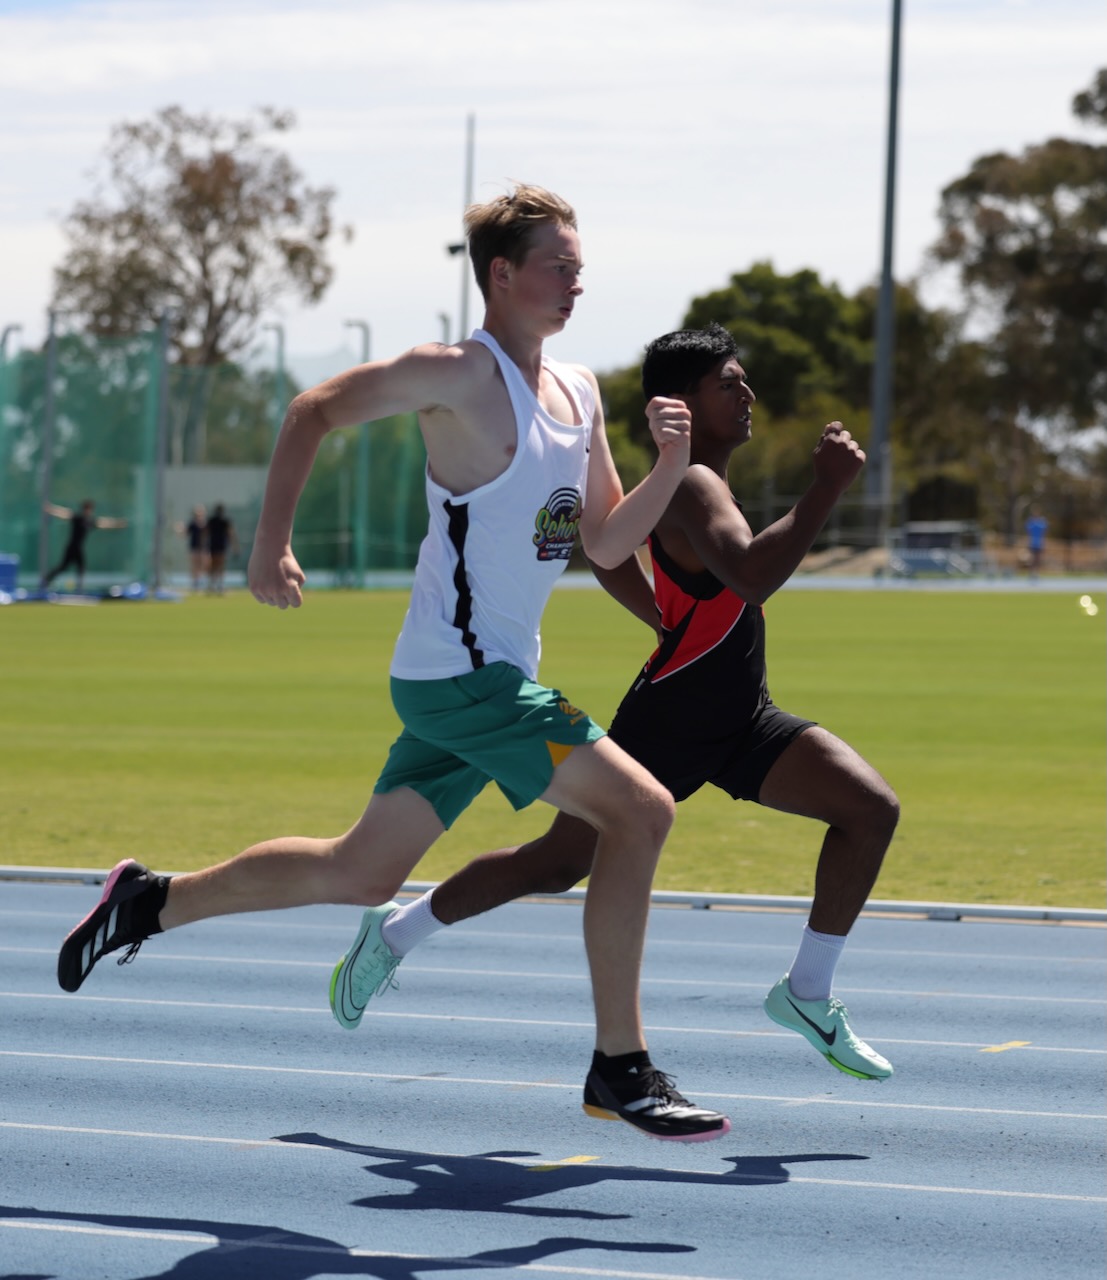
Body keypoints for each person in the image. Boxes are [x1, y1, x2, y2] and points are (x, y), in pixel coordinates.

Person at [56, 184, 729, 1144]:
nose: (577, 282)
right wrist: (267, 544)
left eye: (581, 267)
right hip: (466, 681)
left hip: (477, 679)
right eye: (559, 265)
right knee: (642, 809)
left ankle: (148, 902)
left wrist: (669, 467)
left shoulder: (578, 392)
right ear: (502, 274)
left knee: (364, 871)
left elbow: (610, 542)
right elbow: (311, 409)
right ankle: (619, 1067)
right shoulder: (453, 375)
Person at [343, 323, 901, 1083]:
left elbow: (602, 554)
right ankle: (394, 934)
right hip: (669, 723)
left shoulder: (692, 483)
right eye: (728, 384)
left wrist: (661, 617)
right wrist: (826, 488)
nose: (747, 396)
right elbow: (750, 574)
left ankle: (806, 992)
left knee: (869, 809)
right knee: (552, 863)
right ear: (682, 403)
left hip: (741, 716)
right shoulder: (695, 482)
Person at [40, 499, 127, 593]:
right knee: (63, 567)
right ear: (85, 509)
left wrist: (118, 523)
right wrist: (52, 509)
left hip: (79, 548)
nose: (90, 511)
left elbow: (104, 523)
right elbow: (65, 514)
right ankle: (46, 580)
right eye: (88, 509)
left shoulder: (90, 521)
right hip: (71, 547)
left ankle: (79, 588)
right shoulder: (78, 518)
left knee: (81, 567)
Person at [205, 503, 238, 593]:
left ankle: (213, 585)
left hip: (214, 545)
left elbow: (205, 533)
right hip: (220, 545)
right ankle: (218, 585)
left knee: (214, 565)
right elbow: (231, 534)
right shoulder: (224, 520)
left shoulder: (214, 520)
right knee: (220, 565)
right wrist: (234, 546)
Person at [174, 505, 209, 591]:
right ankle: (195, 583)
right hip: (194, 548)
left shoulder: (206, 524)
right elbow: (185, 533)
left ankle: (202, 581)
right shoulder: (192, 524)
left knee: (204, 565)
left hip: (203, 548)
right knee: (195, 565)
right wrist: (179, 529)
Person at [1025, 509, 1048, 574]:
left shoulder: (1041, 523)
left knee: (1038, 559)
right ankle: (1031, 572)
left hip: (1039, 544)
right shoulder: (1031, 523)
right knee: (1032, 558)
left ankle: (1036, 572)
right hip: (1032, 543)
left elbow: (1044, 532)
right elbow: (1028, 532)